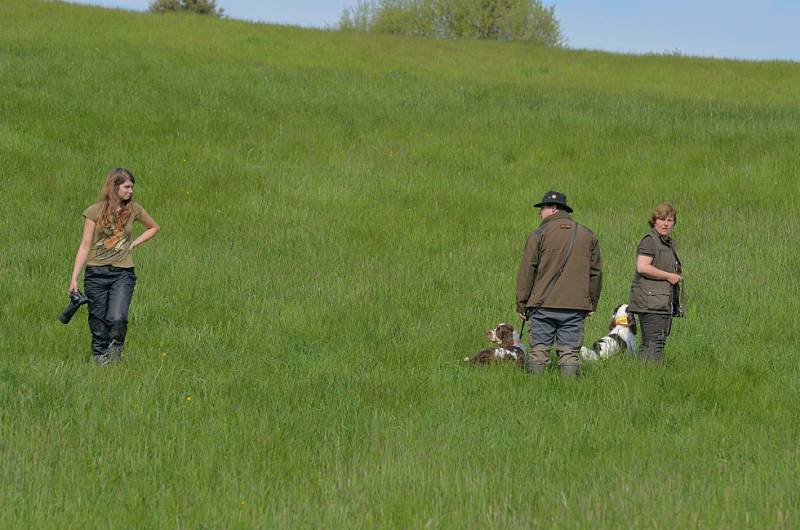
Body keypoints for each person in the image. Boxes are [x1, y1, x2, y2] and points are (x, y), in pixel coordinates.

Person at [69, 168, 160, 365]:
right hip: (95, 273)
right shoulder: (94, 211)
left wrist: (135, 243)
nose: (131, 191)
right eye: (127, 187)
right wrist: (74, 278)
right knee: (97, 320)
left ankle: (115, 353)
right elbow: (85, 245)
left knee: (117, 317)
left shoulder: (134, 210)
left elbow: (154, 227)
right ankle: (99, 359)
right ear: (115, 187)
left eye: (132, 187)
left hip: (123, 273)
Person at [516, 191, 602, 377]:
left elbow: (527, 271)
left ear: (553, 208)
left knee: (539, 351)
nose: (540, 212)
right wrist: (591, 303)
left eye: (543, 208)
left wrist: (522, 304)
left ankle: (533, 393)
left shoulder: (538, 234)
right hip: (575, 306)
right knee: (570, 353)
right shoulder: (587, 235)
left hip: (542, 305)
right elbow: (595, 273)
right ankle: (570, 394)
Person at [628, 203, 682, 363]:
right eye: (662, 219)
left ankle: (642, 378)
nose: (666, 224)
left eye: (670, 220)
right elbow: (642, 267)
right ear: (654, 221)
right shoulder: (650, 241)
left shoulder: (666, 242)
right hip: (651, 302)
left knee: (651, 343)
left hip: (659, 300)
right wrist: (669, 276)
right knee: (655, 343)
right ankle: (650, 377)